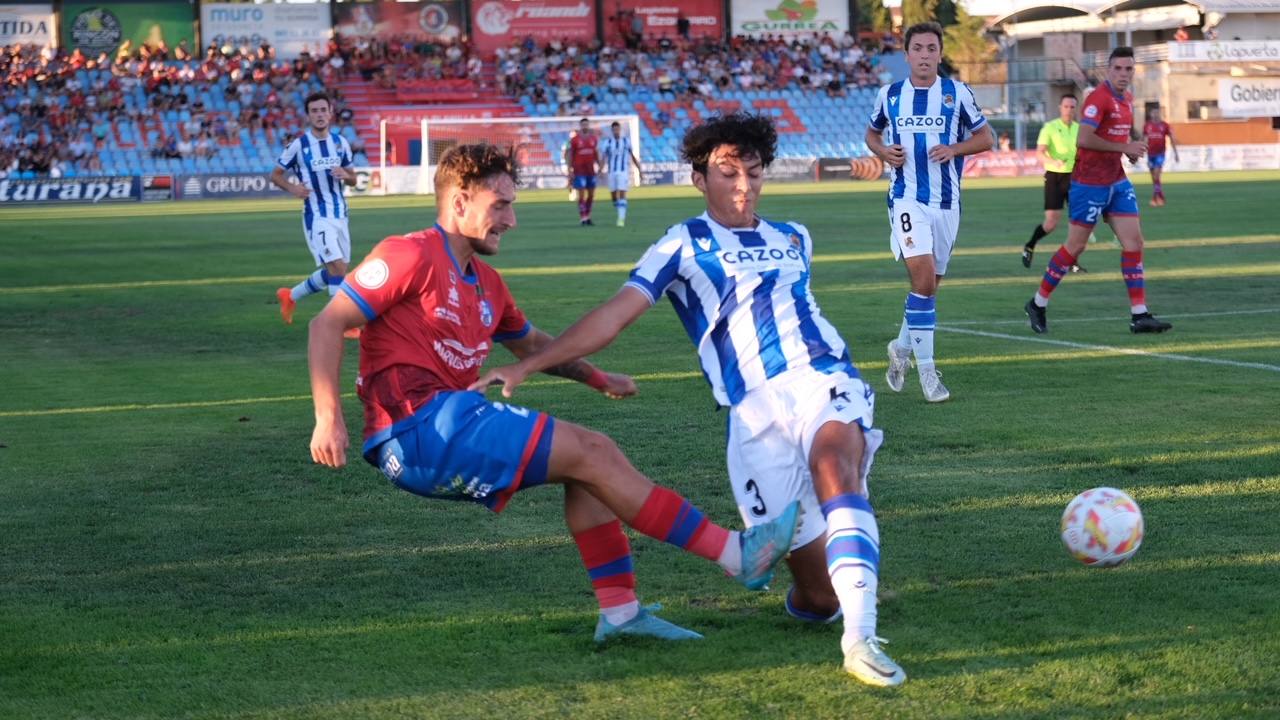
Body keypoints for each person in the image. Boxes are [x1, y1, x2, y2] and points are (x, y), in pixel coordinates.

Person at [470, 114, 907, 687]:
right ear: (700, 179)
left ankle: (861, 638)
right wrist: (529, 364)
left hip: (823, 378)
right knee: (819, 597)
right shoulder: (681, 245)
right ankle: (834, 596)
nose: (744, 186)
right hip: (753, 416)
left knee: (835, 465)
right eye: (728, 173)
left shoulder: (795, 237)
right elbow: (614, 315)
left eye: (754, 172)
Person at [307, 143, 799, 644]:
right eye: (500, 205)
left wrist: (597, 378)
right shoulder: (410, 253)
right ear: (459, 202)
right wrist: (328, 417)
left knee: (587, 473)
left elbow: (535, 347)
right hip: (417, 428)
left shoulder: (488, 284)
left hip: (445, 423)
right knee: (594, 450)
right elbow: (327, 323)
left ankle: (621, 613)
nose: (511, 220)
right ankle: (737, 554)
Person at [864, 22, 995, 403]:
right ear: (906, 55)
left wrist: (954, 149)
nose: (924, 55)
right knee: (922, 282)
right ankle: (927, 374)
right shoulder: (889, 95)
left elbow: (986, 137)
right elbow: (872, 134)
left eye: (931, 48)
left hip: (947, 203)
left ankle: (901, 348)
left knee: (929, 289)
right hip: (906, 198)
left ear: (940, 54)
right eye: (918, 48)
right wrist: (882, 151)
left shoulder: (957, 93)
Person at [1024, 47, 1173, 335]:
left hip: (1116, 181)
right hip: (1089, 183)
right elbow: (1084, 138)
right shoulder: (1098, 99)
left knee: (1134, 243)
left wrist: (1128, 152)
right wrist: (1124, 147)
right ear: (1108, 70)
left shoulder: (1127, 99)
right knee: (1075, 247)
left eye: (1128, 69)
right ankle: (1038, 303)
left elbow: (1116, 138)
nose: (1123, 74)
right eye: (1118, 68)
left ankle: (1139, 315)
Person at [272, 92, 358, 326]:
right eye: (314, 111)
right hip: (316, 215)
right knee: (337, 266)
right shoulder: (298, 145)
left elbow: (353, 179)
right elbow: (275, 175)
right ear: (308, 115)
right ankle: (339, 323)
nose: (319, 115)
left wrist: (345, 174)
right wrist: (293, 188)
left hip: (340, 214)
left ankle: (290, 296)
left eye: (323, 110)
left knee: (337, 270)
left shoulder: (341, 143)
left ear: (330, 113)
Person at [1023, 94, 1087, 273]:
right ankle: (1030, 245)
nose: (1069, 110)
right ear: (1060, 107)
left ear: (1076, 109)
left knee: (1078, 224)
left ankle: (1072, 262)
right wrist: (1052, 162)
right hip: (1054, 177)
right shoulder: (1050, 127)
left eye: (1072, 107)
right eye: (1066, 106)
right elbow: (1039, 152)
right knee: (1051, 223)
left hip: (1075, 178)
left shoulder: (1080, 129)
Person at [599, 121, 642, 227]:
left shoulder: (626, 141)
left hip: (623, 171)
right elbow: (603, 158)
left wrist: (639, 170)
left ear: (620, 129)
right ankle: (619, 207)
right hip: (612, 172)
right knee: (614, 196)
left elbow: (632, 156)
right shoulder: (607, 142)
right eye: (614, 129)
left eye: (617, 129)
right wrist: (600, 170)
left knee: (622, 193)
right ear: (612, 130)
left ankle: (621, 219)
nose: (616, 131)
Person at [564, 117, 599, 225]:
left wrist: (600, 165)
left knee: (591, 195)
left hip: (591, 170)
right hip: (579, 170)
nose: (585, 126)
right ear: (580, 126)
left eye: (586, 124)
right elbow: (569, 155)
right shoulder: (574, 140)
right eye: (583, 125)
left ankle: (588, 215)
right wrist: (569, 169)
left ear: (588, 125)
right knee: (581, 194)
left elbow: (596, 153)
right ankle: (583, 217)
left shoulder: (594, 139)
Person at [1143, 107, 1178, 207]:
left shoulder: (1165, 125)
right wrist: (1141, 151)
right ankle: (1160, 197)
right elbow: (1144, 139)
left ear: (1159, 114)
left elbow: (1172, 138)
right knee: (1154, 178)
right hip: (1150, 154)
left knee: (1156, 176)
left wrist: (1176, 153)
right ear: (1150, 115)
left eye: (1157, 113)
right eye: (1153, 113)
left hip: (1160, 154)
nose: (1155, 115)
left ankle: (1156, 199)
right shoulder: (1147, 125)